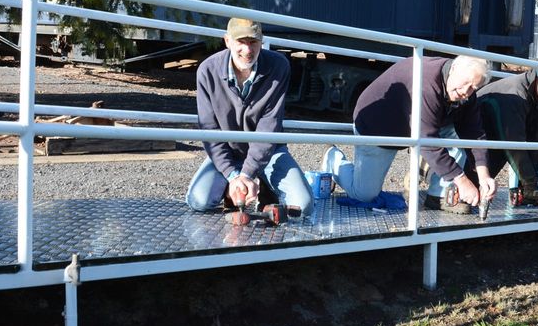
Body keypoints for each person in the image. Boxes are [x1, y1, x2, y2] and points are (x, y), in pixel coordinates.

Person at [321, 55, 497, 214]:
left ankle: (439, 194)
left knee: (456, 135)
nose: (466, 92)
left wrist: (484, 176)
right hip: (378, 127)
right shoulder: (427, 82)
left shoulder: (465, 94)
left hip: (416, 125)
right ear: (454, 68)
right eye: (465, 83)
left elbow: (474, 133)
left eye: (473, 87)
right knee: (364, 194)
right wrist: (462, 181)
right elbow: (426, 141)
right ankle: (333, 158)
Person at [186, 18, 313, 216]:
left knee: (303, 206)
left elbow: (269, 125)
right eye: (240, 41)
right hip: (229, 150)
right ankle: (241, 190)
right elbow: (209, 129)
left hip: (270, 150)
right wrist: (233, 176)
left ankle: (264, 186)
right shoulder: (207, 70)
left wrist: (247, 173)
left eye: (253, 42)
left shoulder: (278, 66)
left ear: (262, 42)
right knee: (199, 201)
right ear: (227, 41)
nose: (247, 50)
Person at [476, 52, 538, 208]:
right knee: (510, 146)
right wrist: (531, 186)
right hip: (474, 127)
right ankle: (528, 190)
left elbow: (532, 134)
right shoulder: (516, 93)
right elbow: (514, 143)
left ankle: (526, 192)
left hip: (493, 126)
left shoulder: (534, 89)